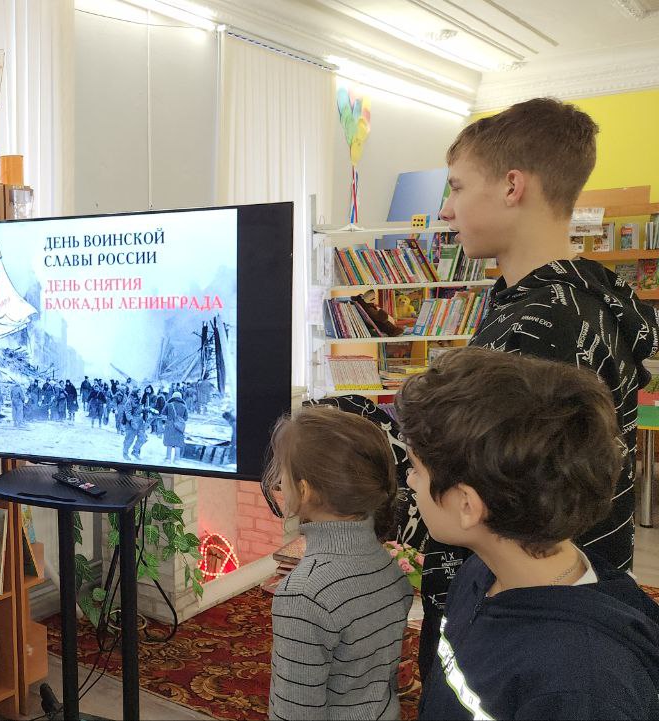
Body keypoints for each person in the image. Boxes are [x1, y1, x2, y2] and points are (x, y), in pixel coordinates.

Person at [416, 97, 659, 685]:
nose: (446, 210)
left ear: (511, 186)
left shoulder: (533, 331)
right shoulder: (590, 300)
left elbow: (490, 486)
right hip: (577, 582)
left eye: (455, 187)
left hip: (518, 612)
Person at [398, 348, 659, 719]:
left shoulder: (582, 685)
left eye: (417, 471)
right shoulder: (480, 573)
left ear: (467, 505)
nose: (410, 481)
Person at [263, 405, 413, 720]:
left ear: (303, 490)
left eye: (283, 474)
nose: (278, 482)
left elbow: (296, 712)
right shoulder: (387, 567)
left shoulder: (303, 593)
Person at [162, 391, 188, 461]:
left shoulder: (169, 404)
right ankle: (177, 459)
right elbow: (186, 418)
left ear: (173, 397)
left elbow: (163, 414)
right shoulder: (184, 406)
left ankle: (168, 458)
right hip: (179, 426)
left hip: (169, 425)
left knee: (169, 442)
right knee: (178, 443)